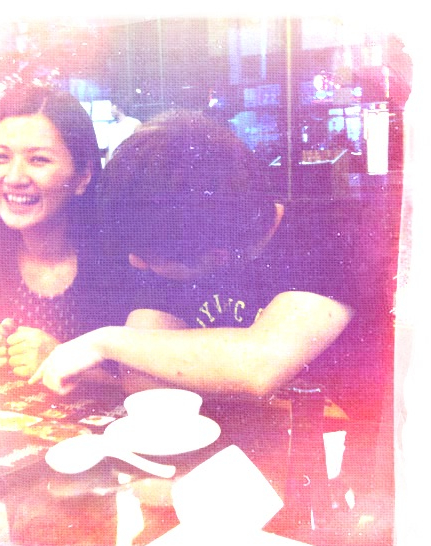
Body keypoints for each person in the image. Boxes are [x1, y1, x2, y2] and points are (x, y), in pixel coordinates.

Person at [30, 109, 361, 399]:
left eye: (147, 255)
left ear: (217, 256)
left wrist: (105, 343)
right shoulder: (167, 238)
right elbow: (141, 381)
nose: (135, 262)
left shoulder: (327, 238)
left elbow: (259, 365)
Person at [0, 84, 127, 380]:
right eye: (1, 157)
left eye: (38, 160)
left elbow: (148, 389)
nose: (14, 178)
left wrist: (63, 361)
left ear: (83, 176)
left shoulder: (120, 259)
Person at [105, 98, 141, 162]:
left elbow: (140, 147)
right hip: (113, 165)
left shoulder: (134, 123)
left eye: (112, 105)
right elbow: (108, 151)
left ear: (119, 107)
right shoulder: (110, 127)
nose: (110, 109)